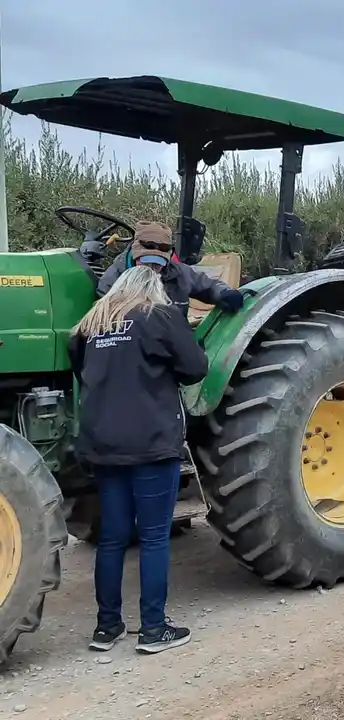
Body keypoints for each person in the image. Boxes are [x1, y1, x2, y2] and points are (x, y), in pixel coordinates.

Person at [68, 265, 209, 655]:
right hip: (150, 440)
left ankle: (106, 627)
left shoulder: (91, 323)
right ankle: (153, 629)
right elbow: (196, 367)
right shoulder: (157, 316)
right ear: (153, 290)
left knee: (112, 538)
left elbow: (80, 369)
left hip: (104, 443)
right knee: (152, 536)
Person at [98, 221, 243, 318]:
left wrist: (224, 292)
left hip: (174, 341)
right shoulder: (112, 280)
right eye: (147, 263)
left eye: (158, 264)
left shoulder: (179, 273)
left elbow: (209, 286)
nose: (152, 270)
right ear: (134, 252)